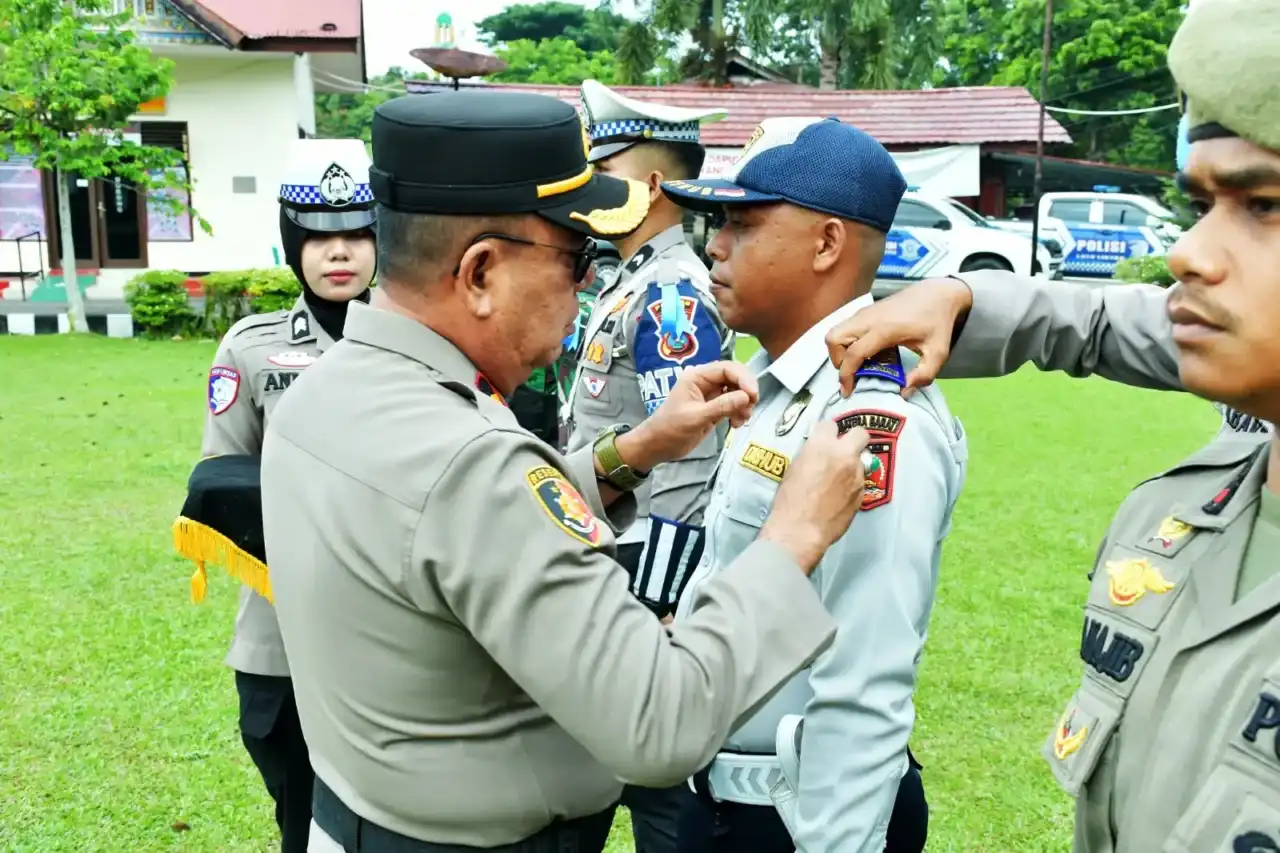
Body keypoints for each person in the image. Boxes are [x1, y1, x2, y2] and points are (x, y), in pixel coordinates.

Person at [258, 90, 882, 853]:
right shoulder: (472, 462)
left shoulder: (323, 393)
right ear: (480, 272)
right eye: (575, 255)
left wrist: (633, 450)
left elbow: (446, 531)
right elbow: (662, 721)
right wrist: (794, 534)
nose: (588, 283)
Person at [828, 1, 1280, 848]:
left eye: (1264, 205)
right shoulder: (1205, 504)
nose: (1187, 252)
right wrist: (963, 293)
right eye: (1204, 204)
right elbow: (1107, 321)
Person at [662, 116, 969, 853]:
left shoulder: (871, 414)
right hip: (723, 801)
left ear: (828, 242)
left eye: (742, 221)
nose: (715, 244)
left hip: (795, 819)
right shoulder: (780, 387)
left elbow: (864, 678)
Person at [174, 137, 377, 853]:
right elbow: (223, 485)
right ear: (293, 245)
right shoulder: (251, 349)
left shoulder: (420, 340)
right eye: (319, 237)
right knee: (302, 818)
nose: (339, 252)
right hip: (284, 642)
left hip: (396, 637)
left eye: (356, 233)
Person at [566, 78, 735, 852]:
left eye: (607, 167)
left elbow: (692, 457)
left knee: (658, 795)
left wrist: (661, 595)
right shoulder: (628, 277)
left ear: (656, 184)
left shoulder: (674, 295)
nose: (591, 182)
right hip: (604, 556)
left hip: (643, 579)